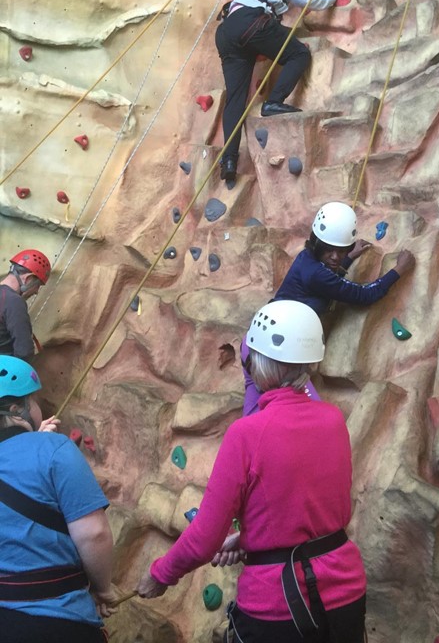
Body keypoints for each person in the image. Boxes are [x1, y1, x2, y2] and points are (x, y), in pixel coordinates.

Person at [137, 300, 367, 643]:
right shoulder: (333, 419)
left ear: (257, 363)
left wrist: (160, 575)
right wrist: (247, 542)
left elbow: (203, 540)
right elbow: (309, 512)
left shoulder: (247, 433)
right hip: (345, 593)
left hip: (277, 606)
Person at [241, 201, 415, 414]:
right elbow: (364, 294)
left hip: (258, 342)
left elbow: (328, 279)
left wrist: (349, 257)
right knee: (303, 411)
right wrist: (398, 270)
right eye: (329, 250)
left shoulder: (308, 259)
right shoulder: (316, 274)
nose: (335, 257)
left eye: (341, 251)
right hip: (276, 356)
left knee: (255, 411)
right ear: (317, 244)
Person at [0, 355, 117, 643]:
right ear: (19, 409)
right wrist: (103, 588)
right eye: (34, 401)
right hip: (58, 621)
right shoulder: (55, 450)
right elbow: (94, 534)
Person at [215, 0, 338, 187]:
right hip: (251, 23)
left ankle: (229, 160)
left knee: (236, 98)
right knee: (298, 54)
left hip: (228, 32)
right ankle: (273, 102)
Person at [0, 249, 51, 360]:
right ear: (28, 278)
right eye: (38, 285)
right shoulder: (14, 302)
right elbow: (24, 351)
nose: (37, 291)